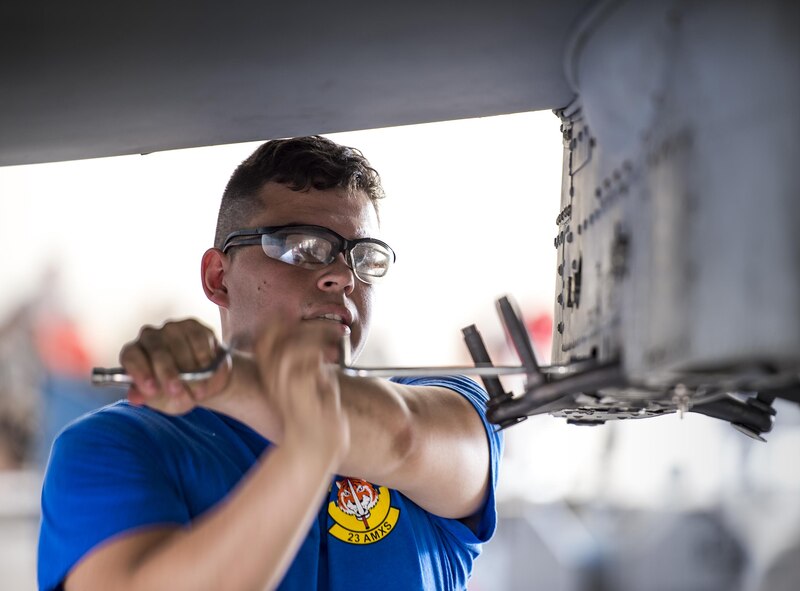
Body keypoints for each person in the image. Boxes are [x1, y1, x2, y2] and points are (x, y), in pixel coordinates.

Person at [37, 136, 503, 591]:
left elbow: (402, 438)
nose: (343, 276)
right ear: (219, 278)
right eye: (302, 247)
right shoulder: (114, 443)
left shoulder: (449, 405)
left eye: (363, 257)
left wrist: (228, 379)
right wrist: (305, 449)